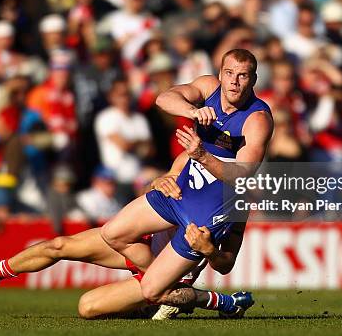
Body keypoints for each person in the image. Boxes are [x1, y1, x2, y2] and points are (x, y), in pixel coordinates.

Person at [0, 151, 247, 320]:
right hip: (140, 244)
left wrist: (209, 250)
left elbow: (225, 264)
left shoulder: (238, 201)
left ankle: (214, 301)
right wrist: (158, 182)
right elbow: (159, 188)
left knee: (88, 308)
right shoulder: (191, 157)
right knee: (59, 245)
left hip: (167, 269)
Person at [99, 48, 273, 316]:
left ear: (253, 80)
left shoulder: (257, 119)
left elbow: (241, 175)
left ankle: (178, 288)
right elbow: (164, 98)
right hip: (185, 187)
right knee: (112, 233)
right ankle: (176, 282)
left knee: (150, 292)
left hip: (213, 204)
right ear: (220, 74)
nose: (234, 82)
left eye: (242, 76)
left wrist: (201, 154)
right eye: (229, 73)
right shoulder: (207, 87)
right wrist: (192, 111)